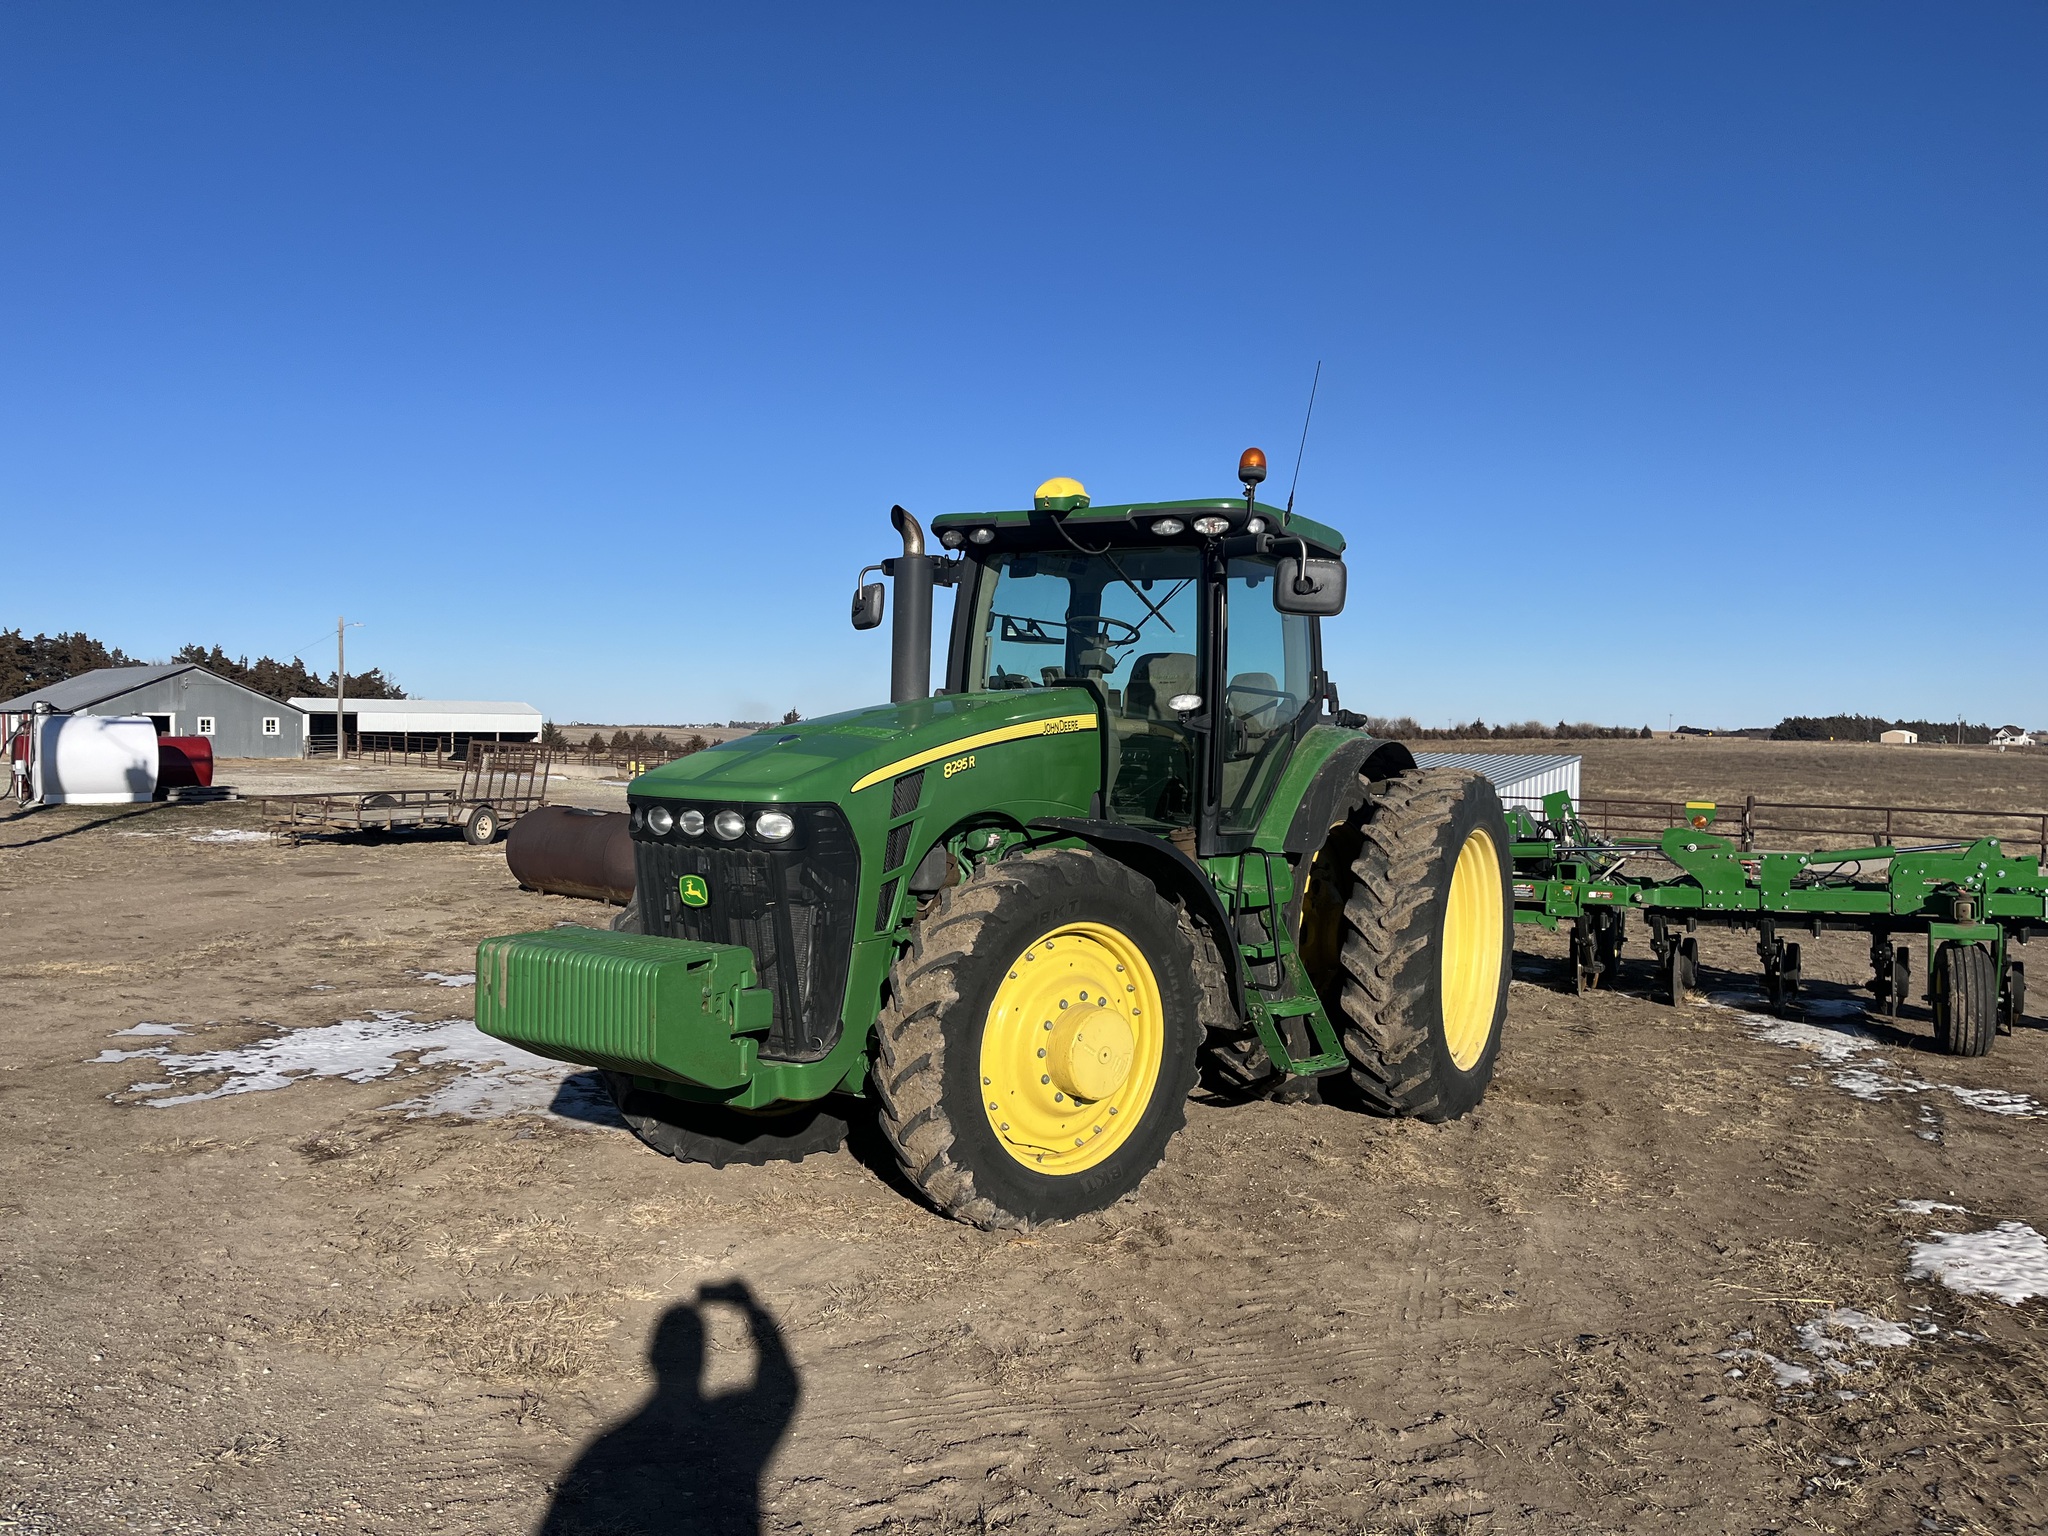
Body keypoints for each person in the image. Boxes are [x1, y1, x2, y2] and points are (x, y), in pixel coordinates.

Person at [538, 1280, 798, 1536]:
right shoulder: (730, 1423)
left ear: (651, 1359)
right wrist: (750, 1309)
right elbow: (784, 1387)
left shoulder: (604, 1446)